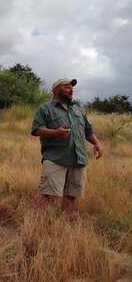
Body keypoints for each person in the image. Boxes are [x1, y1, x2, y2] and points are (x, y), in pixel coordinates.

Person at [31, 78, 103, 219]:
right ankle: (35, 224)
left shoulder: (78, 109)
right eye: (67, 87)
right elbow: (36, 130)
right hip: (55, 158)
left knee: (71, 195)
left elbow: (88, 130)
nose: (71, 90)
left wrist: (97, 143)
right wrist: (55, 133)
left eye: (72, 87)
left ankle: (64, 224)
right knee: (47, 193)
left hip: (78, 158)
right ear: (56, 89)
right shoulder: (45, 108)